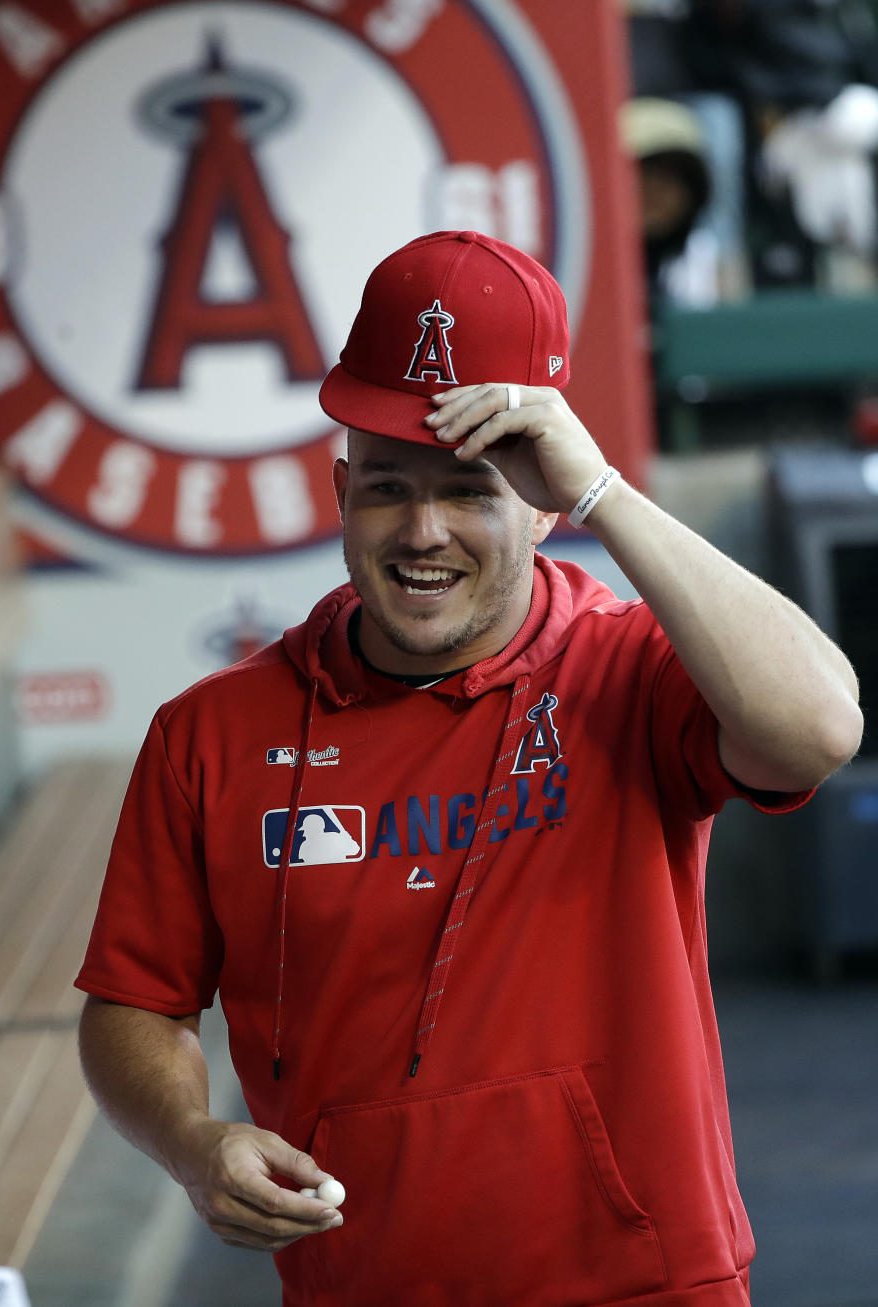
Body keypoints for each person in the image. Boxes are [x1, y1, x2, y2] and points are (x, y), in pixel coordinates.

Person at [76, 230, 862, 1306]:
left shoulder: (625, 669)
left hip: (643, 1282)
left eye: (472, 488)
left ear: (540, 500)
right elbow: (134, 1000)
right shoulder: (209, 733)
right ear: (341, 484)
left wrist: (608, 496)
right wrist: (190, 1137)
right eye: (389, 486)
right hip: (365, 1286)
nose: (424, 531)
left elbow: (820, 727)